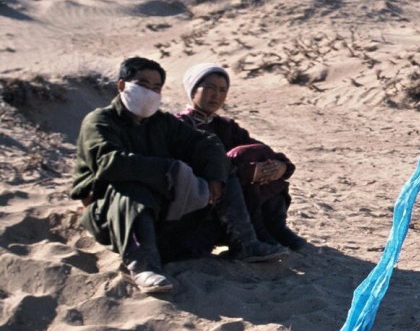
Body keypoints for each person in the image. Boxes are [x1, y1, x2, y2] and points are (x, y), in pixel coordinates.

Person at [71, 56, 283, 295]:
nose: (149, 92)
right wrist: (168, 169)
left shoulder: (161, 122)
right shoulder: (100, 121)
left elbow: (205, 144)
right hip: (111, 210)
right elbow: (110, 164)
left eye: (156, 87)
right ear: (122, 85)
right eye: (142, 84)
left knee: (224, 170)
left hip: (161, 209)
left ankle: (245, 243)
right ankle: (143, 267)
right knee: (134, 188)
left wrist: (215, 177)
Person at [175, 63, 306, 251]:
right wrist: (245, 172)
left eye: (222, 90)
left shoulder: (226, 126)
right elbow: (193, 167)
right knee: (234, 162)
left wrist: (280, 167)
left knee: (256, 155)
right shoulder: (179, 124)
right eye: (210, 88)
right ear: (193, 90)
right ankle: (248, 240)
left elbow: (263, 150)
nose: (216, 95)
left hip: (235, 199)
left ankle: (276, 228)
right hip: (203, 199)